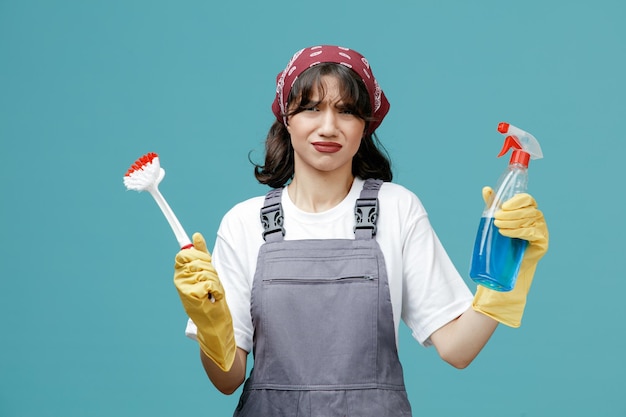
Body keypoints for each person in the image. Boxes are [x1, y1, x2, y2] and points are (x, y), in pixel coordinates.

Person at [173, 45, 549, 416]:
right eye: (310, 108)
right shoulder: (244, 223)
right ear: (286, 118)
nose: (328, 127)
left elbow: (457, 349)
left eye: (346, 111)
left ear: (365, 125)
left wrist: (507, 278)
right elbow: (227, 381)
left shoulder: (397, 209)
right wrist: (213, 326)